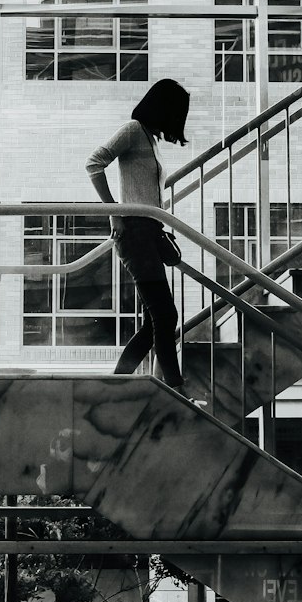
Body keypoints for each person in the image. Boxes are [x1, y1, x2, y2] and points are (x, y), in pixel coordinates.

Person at [86, 79, 190, 391]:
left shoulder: (150, 139)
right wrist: (114, 212)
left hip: (149, 231)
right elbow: (94, 163)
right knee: (165, 314)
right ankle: (173, 384)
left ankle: (116, 383)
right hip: (135, 232)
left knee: (155, 320)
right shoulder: (133, 129)